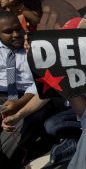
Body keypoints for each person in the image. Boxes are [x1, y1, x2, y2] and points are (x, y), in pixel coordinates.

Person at [0, 10, 52, 167]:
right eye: (8, 32)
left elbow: (43, 82)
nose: (16, 34)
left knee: (16, 127)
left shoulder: (36, 46)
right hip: (3, 93)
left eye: (18, 28)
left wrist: (19, 102)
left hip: (31, 97)